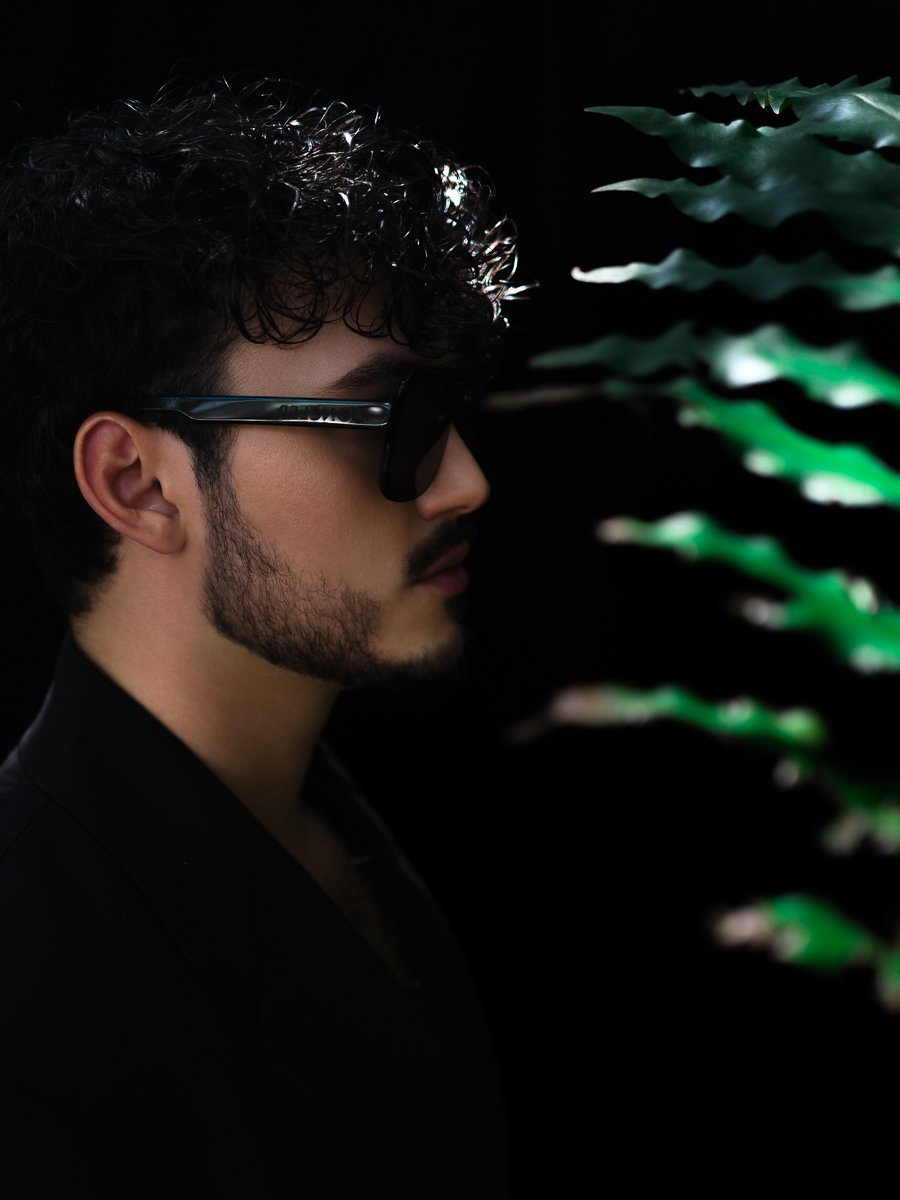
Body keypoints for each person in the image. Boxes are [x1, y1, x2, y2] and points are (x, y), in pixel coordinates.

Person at [0, 76, 518, 1198]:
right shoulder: (33, 998)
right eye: (386, 421)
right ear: (135, 482)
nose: (464, 482)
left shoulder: (369, 814)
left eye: (449, 412)